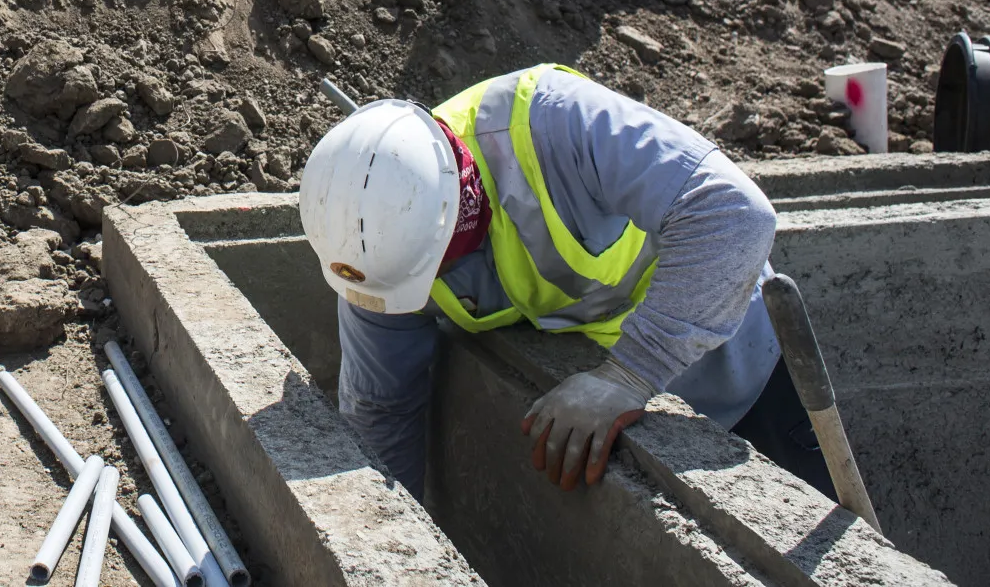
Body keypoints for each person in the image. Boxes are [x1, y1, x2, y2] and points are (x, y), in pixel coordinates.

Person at [301, 65, 833, 501]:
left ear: (460, 212)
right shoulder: (375, 248)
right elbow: (382, 410)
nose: (431, 285)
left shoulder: (555, 125)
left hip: (733, 364)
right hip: (606, 388)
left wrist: (629, 374)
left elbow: (735, 216)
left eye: (434, 269)